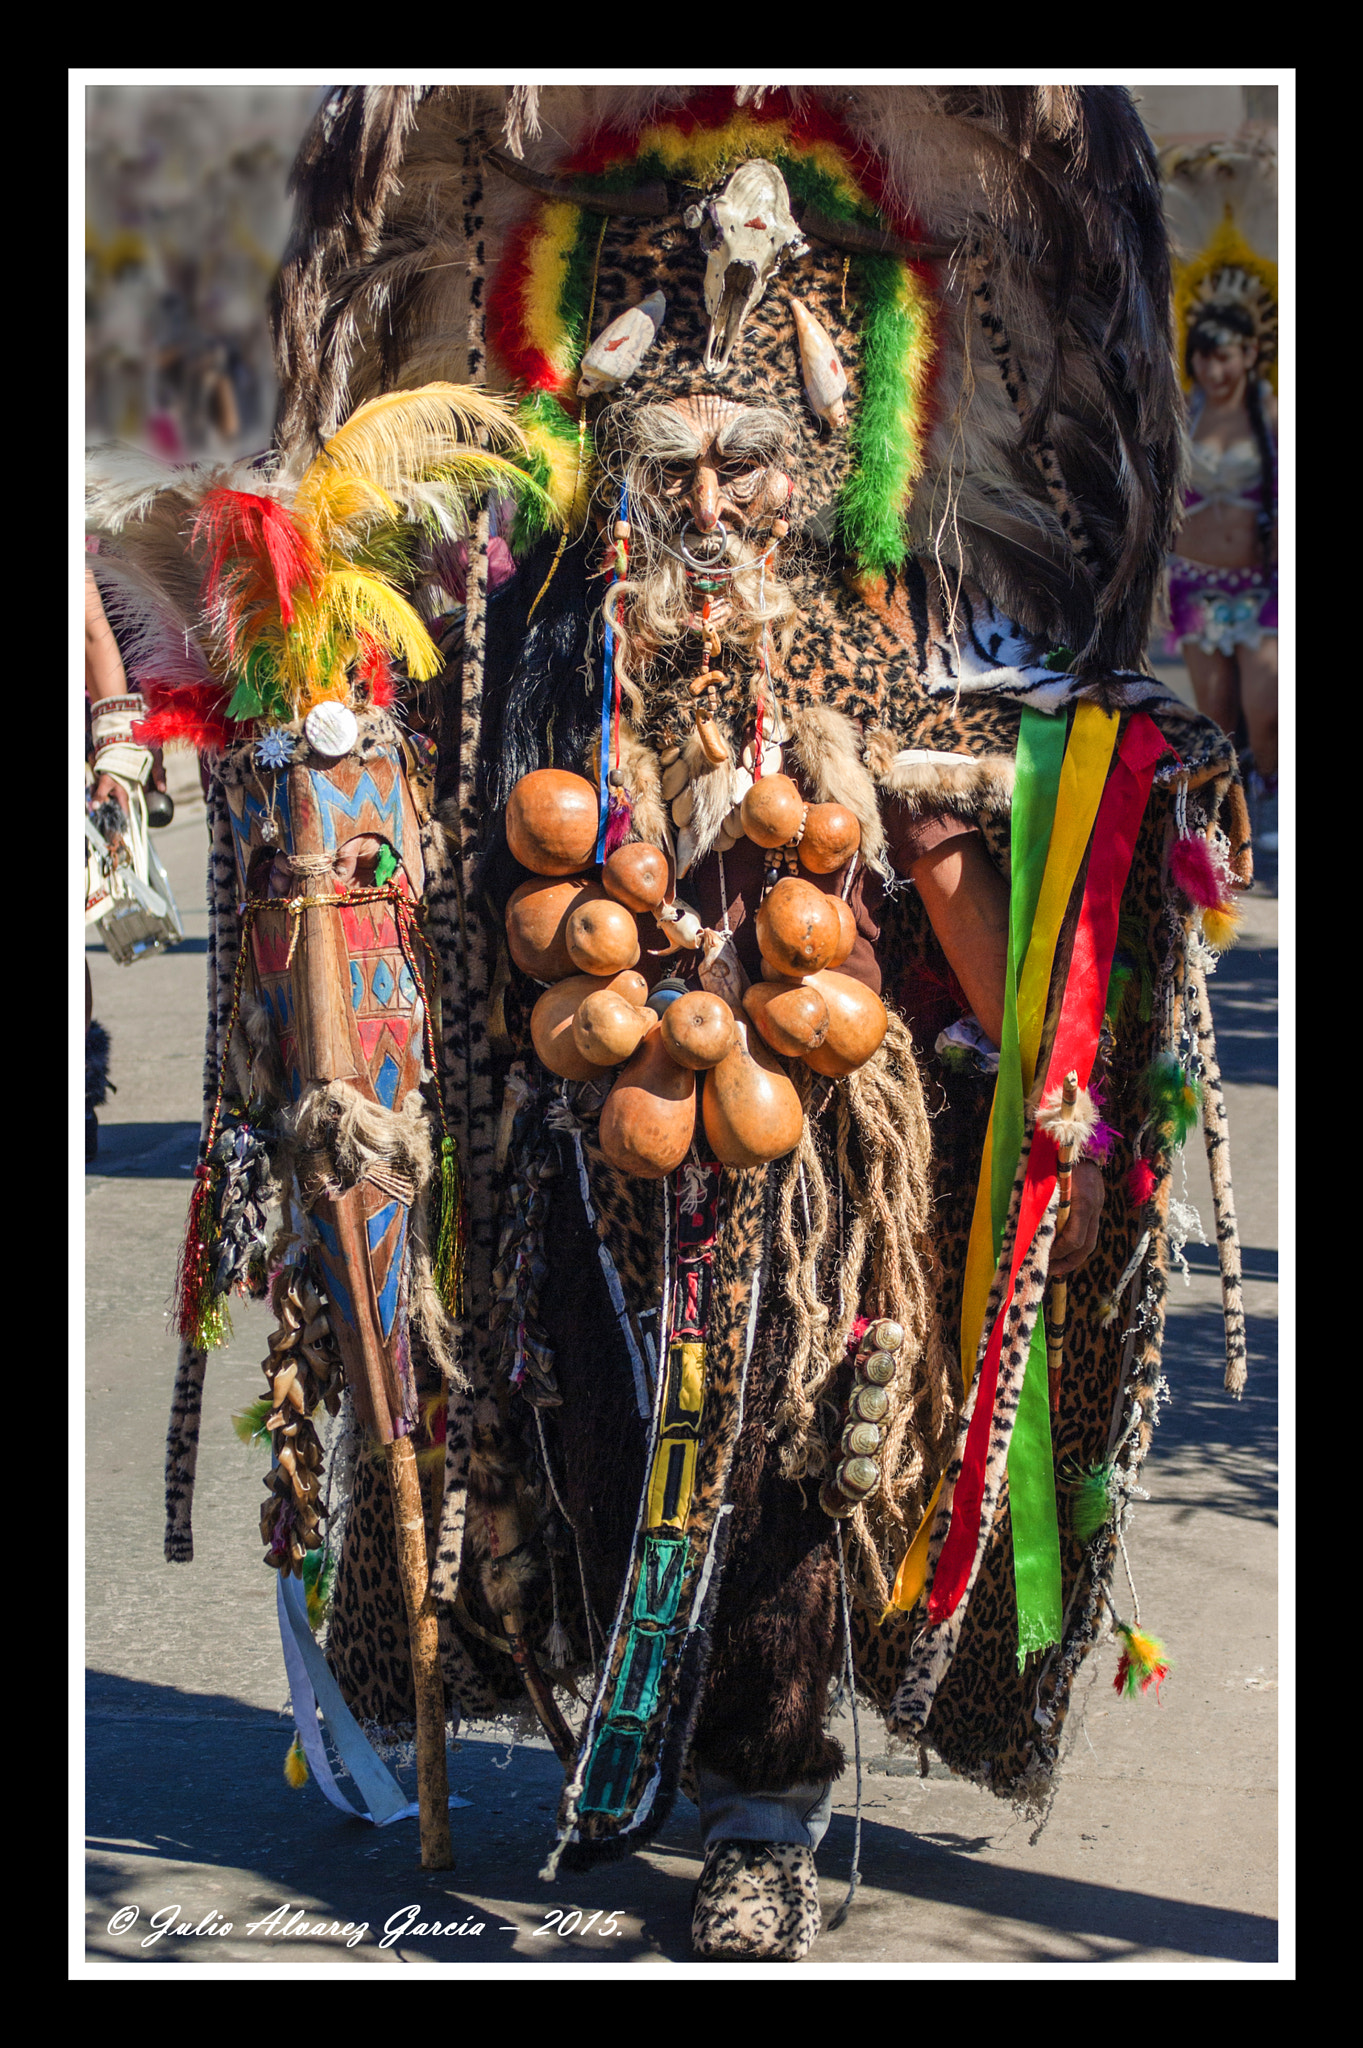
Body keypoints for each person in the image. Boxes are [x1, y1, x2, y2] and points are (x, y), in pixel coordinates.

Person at [98, 85, 1249, 1963]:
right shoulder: (538, 636)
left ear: (821, 463)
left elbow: (994, 926)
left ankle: (763, 1808)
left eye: (746, 469)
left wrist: (994, 844)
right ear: (609, 457)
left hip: (818, 1155)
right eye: (670, 468)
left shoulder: (879, 643)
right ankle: (604, 1731)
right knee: (587, 1421)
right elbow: (407, 834)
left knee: (807, 1448)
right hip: (580, 1131)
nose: (707, 505)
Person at [1167, 296, 1278, 852]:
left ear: (1252, 353)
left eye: (1226, 356)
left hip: (1261, 589)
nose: (1214, 369)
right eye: (1205, 358)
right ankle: (1234, 817)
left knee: (1269, 708)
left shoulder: (1274, 415)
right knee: (1218, 715)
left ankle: (1274, 793)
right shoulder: (1183, 413)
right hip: (1196, 584)